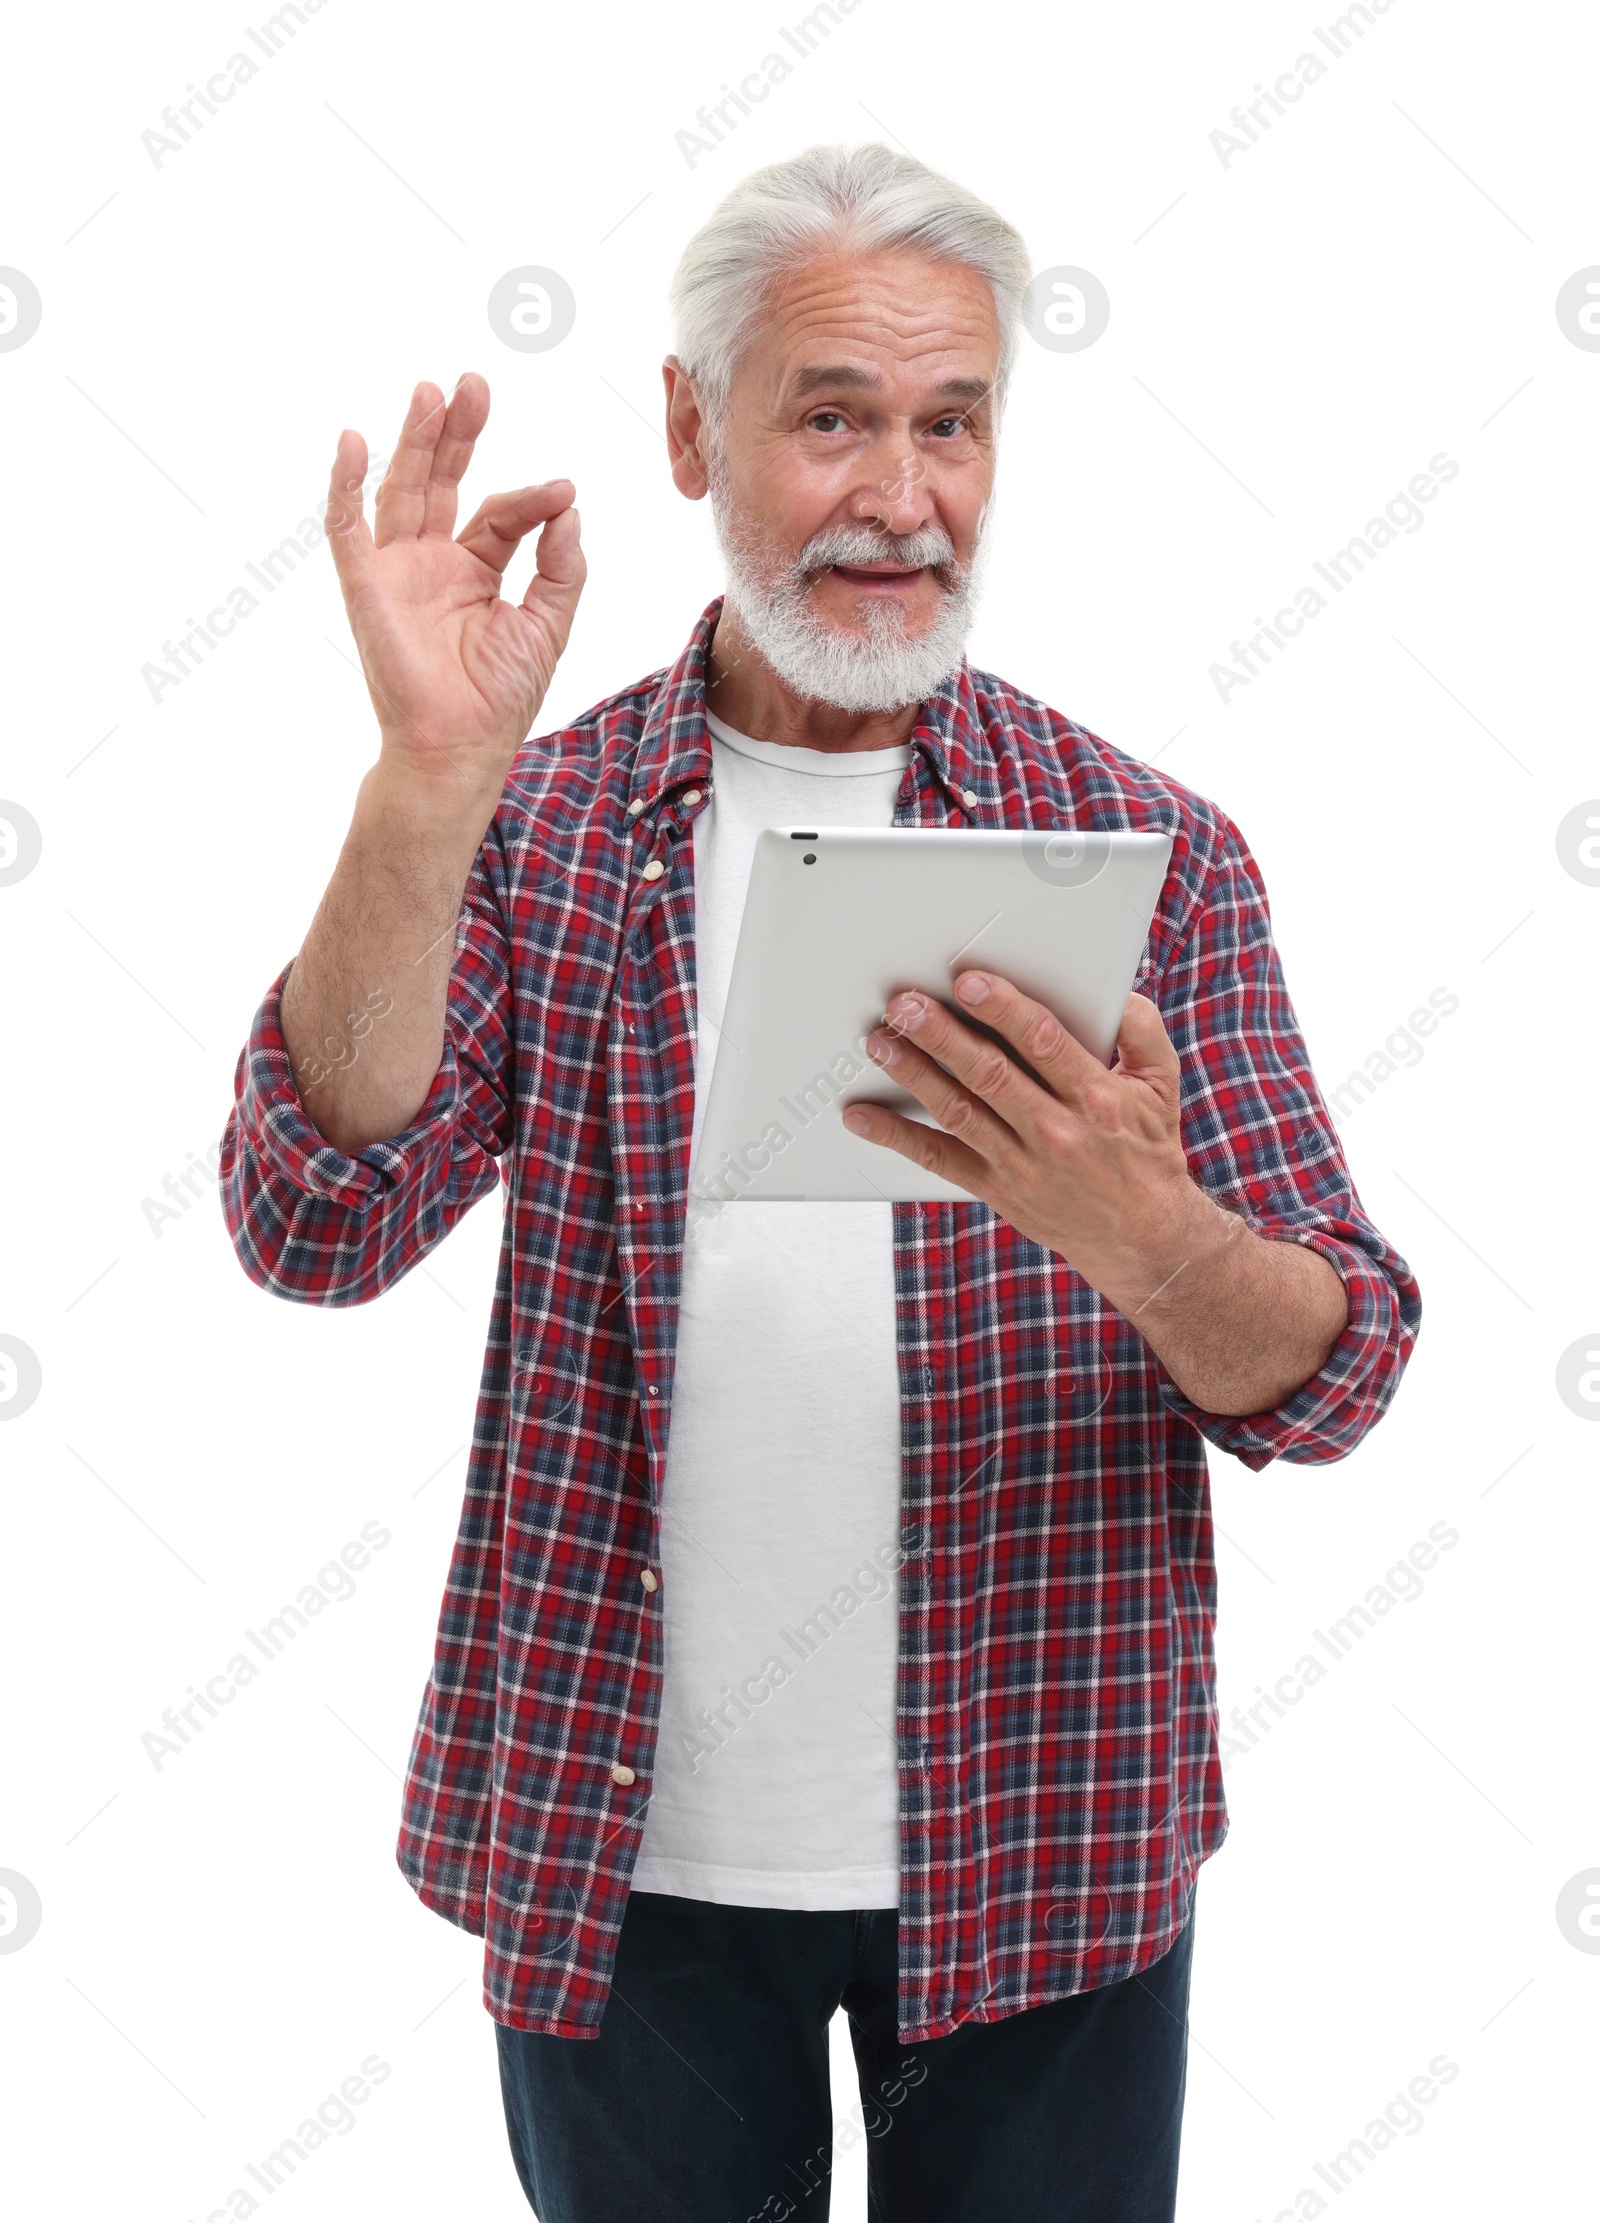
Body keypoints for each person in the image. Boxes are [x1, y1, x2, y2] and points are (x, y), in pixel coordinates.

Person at [220, 143, 1420, 2222]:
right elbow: (314, 1220)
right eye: (831, 415)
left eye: (949, 422)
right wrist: (426, 794)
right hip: (623, 1869)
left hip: (1045, 1842)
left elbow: (1337, 1364)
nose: (901, 494)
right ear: (689, 426)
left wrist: (1145, 1232)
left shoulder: (1147, 849)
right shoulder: (544, 829)